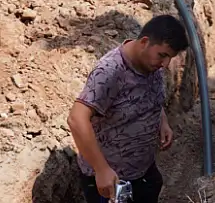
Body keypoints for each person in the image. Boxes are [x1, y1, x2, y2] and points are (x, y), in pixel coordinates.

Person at [67, 14, 189, 203]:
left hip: (143, 172)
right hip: (112, 182)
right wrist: (102, 170)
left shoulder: (150, 65)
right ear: (145, 42)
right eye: (163, 55)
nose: (165, 64)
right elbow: (76, 119)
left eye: (169, 58)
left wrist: (162, 122)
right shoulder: (110, 72)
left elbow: (150, 98)